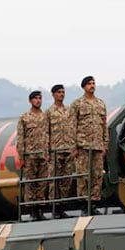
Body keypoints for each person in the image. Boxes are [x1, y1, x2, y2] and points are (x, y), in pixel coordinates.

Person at [69, 75, 108, 214]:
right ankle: (84, 205)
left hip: (98, 146)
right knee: (84, 176)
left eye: (94, 83)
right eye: (89, 83)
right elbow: (71, 127)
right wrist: (73, 147)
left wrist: (105, 145)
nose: (92, 85)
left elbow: (104, 126)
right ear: (84, 87)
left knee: (97, 176)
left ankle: (94, 204)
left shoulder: (101, 104)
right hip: (83, 146)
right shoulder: (77, 104)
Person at [16, 90, 49, 221]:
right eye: (35, 98)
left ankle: (40, 209)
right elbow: (20, 138)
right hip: (30, 155)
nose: (38, 101)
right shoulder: (24, 118)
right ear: (30, 101)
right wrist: (21, 157)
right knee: (31, 183)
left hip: (43, 154)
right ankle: (32, 210)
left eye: (40, 98)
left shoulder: (45, 116)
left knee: (42, 183)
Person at [45, 83, 74, 218]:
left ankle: (62, 207)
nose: (61, 94)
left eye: (63, 92)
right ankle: (55, 208)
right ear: (53, 95)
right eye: (58, 92)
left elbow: (73, 129)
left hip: (68, 149)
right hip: (54, 150)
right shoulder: (49, 112)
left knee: (66, 180)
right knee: (54, 180)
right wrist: (47, 151)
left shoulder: (69, 111)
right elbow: (45, 132)